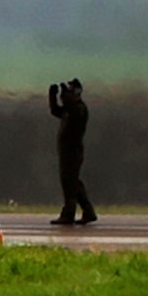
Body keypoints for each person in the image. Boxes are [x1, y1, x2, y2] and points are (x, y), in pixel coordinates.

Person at [49, 78, 98, 226]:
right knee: (73, 182)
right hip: (66, 151)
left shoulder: (79, 109)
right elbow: (55, 110)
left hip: (73, 152)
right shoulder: (69, 109)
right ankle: (88, 212)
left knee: (69, 183)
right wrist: (52, 96)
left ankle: (68, 214)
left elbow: (71, 109)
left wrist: (65, 95)